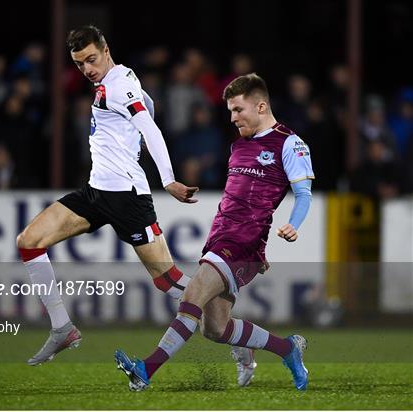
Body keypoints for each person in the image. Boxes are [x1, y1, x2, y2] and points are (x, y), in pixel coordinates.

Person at [115, 73, 314, 391]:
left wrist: (293, 224)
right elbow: (237, 198)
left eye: (238, 110)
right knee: (215, 329)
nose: (233, 118)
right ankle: (287, 348)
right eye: (230, 111)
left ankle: (145, 370)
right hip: (221, 239)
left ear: (261, 106)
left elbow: (303, 194)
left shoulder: (289, 143)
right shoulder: (238, 146)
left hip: (242, 243)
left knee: (191, 296)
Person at [16, 25, 198, 366]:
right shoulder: (119, 80)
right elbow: (149, 105)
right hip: (97, 192)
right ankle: (62, 328)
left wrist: (169, 180)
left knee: (169, 282)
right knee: (29, 241)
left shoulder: (118, 86)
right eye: (79, 63)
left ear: (106, 49)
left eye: (91, 59)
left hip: (127, 198)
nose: (87, 69)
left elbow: (151, 128)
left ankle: (236, 332)